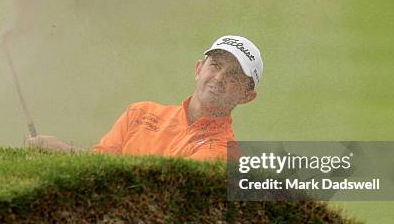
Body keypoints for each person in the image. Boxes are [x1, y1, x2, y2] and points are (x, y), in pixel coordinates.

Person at [27, 35, 263, 161]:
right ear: (198, 69)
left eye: (233, 75)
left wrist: (64, 149)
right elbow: (98, 163)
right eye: (216, 66)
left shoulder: (224, 153)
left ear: (246, 96)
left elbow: (159, 188)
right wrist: (60, 153)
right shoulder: (140, 113)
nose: (219, 78)